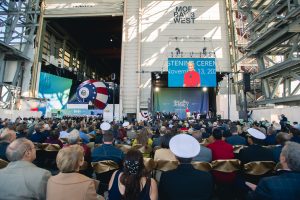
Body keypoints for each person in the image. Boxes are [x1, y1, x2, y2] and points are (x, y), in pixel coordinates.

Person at [159, 134, 213, 200]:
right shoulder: (206, 176)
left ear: (176, 156)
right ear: (193, 157)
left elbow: (162, 197)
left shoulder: (166, 176)